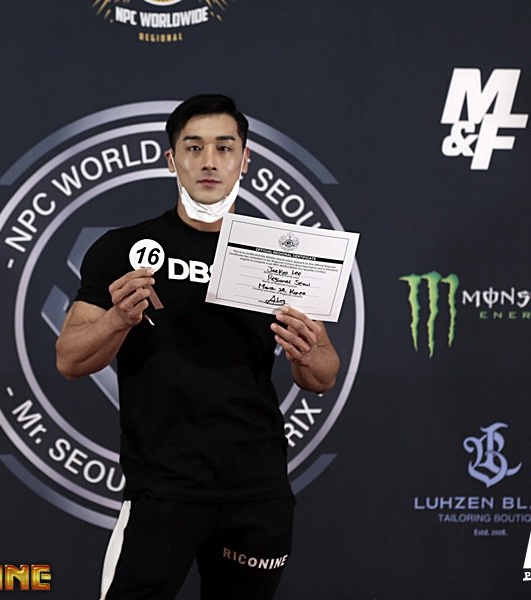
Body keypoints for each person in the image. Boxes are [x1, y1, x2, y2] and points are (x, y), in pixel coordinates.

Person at [55, 94, 340, 600]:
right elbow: (70, 359)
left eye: (224, 148)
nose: (209, 161)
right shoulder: (121, 249)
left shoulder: (279, 252)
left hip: (256, 486)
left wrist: (307, 352)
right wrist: (118, 320)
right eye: (194, 147)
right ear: (172, 159)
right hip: (164, 486)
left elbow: (323, 374)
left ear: (244, 160)